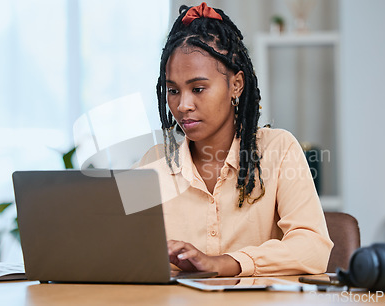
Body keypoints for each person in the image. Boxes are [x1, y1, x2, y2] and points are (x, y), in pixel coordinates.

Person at [139, 2, 333, 277]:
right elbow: (118, 247)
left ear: (236, 85)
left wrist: (225, 263)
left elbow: (313, 249)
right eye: (173, 90)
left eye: (198, 88)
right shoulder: (153, 161)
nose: (183, 105)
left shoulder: (278, 149)